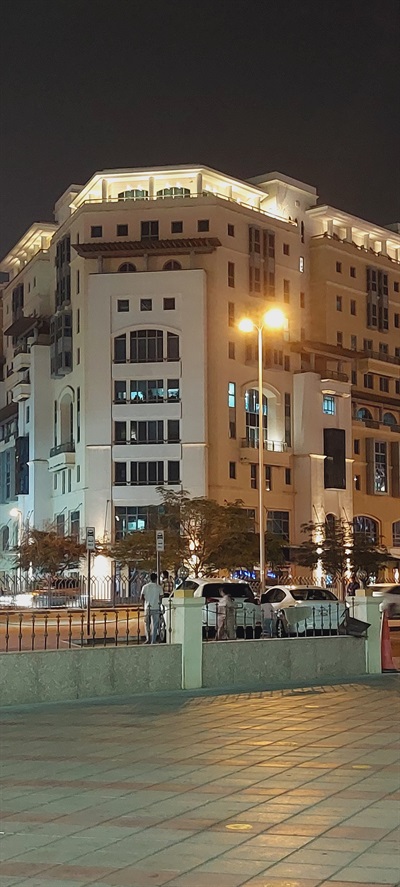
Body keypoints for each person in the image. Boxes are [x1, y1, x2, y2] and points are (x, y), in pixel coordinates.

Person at [141, 572, 163, 644]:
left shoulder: (145, 587)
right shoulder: (159, 587)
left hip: (147, 607)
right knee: (155, 625)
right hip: (156, 607)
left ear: (149, 579)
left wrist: (146, 600)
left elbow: (141, 597)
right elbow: (161, 597)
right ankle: (153, 640)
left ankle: (148, 638)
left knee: (147, 624)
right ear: (156, 579)